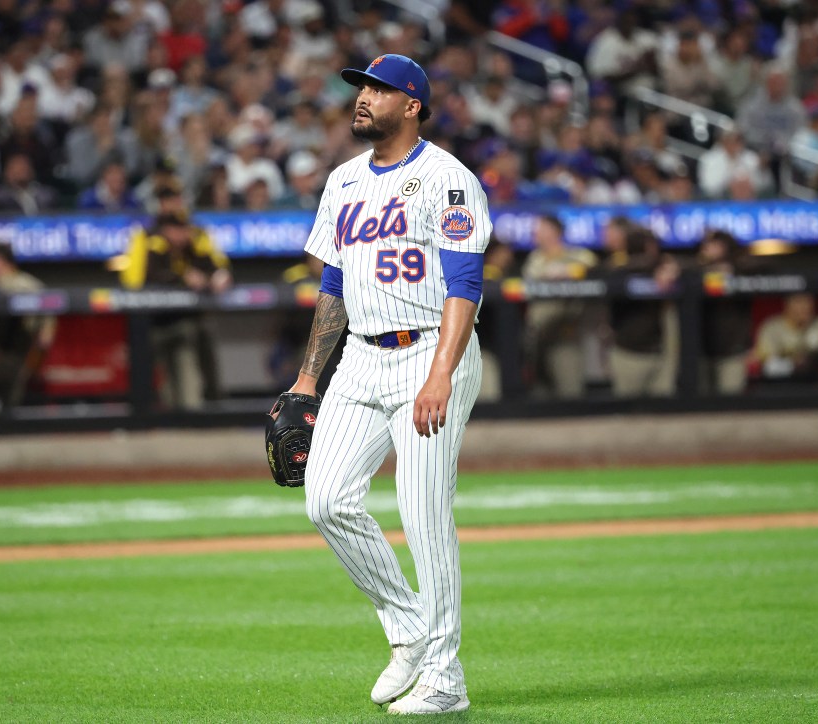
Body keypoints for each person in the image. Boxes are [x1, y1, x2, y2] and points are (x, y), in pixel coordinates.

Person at [288, 54, 490, 715]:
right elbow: (333, 286)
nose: (363, 97)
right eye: (360, 88)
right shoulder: (344, 181)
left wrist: (440, 376)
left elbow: (465, 284)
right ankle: (407, 626)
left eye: (378, 89)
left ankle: (445, 679)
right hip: (362, 359)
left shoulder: (448, 181)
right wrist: (306, 378)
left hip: (433, 350)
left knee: (424, 515)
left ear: (412, 105)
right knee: (325, 500)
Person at [120, 209, 232, 409]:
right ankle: (169, 415)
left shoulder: (191, 248)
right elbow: (150, 277)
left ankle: (193, 411)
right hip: (154, 325)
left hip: (182, 324)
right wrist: (183, 279)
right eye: (177, 230)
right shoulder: (155, 247)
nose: (182, 234)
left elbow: (213, 267)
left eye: (184, 229)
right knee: (163, 383)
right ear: (166, 230)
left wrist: (219, 275)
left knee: (188, 370)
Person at [600, 219, 679, 398]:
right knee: (627, 413)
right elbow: (620, 272)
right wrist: (656, 269)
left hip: (659, 353)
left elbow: (691, 268)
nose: (652, 252)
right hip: (627, 353)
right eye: (647, 248)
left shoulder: (667, 268)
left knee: (662, 411)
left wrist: (669, 268)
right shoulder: (617, 269)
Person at [522, 214, 598, 398]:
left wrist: (568, 271)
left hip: (565, 333)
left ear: (554, 231)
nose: (536, 233)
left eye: (541, 228)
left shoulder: (577, 255)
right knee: (538, 391)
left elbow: (594, 267)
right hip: (536, 334)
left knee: (570, 390)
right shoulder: (535, 258)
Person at [0, 243, 57, 408]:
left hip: (18, 347)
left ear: (0, 260)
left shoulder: (24, 284)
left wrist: (45, 336)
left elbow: (51, 305)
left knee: (12, 395)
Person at [694, 230, 764, 395]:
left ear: (724, 246)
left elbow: (768, 265)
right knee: (702, 405)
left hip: (733, 354)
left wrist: (732, 268)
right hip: (703, 353)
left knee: (731, 404)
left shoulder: (741, 268)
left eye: (711, 244)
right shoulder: (698, 270)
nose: (705, 248)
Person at [754, 293, 818, 380]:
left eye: (809, 301)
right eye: (799, 301)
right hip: (783, 387)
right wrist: (795, 364)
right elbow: (768, 367)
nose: (806, 306)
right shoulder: (772, 328)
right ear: (787, 305)